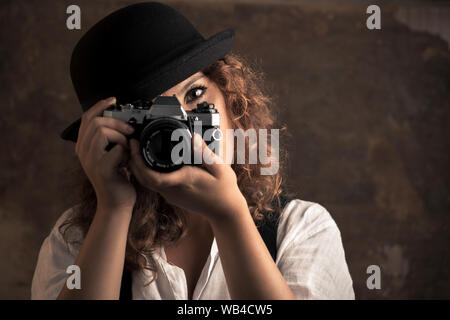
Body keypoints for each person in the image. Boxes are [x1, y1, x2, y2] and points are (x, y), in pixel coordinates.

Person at [31, 2, 355, 300]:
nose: (180, 130)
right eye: (149, 117)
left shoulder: (300, 229)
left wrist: (230, 216)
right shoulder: (77, 238)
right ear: (108, 134)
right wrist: (113, 210)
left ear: (230, 98)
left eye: (195, 94)